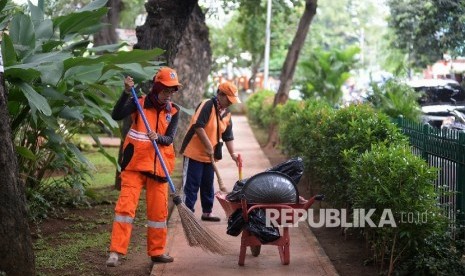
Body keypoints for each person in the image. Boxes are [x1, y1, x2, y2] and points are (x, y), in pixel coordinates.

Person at [106, 67, 181, 267]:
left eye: (172, 91)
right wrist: (125, 93)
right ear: (156, 88)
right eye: (166, 90)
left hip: (159, 168)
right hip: (135, 165)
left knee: (158, 214)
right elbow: (116, 114)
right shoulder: (138, 103)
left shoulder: (173, 111)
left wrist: (159, 137)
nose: (168, 95)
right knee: (125, 209)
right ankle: (115, 252)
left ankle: (157, 252)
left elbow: (170, 138)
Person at [180, 82, 241, 221]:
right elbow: (198, 125)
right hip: (194, 153)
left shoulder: (227, 113)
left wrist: (233, 154)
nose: (230, 103)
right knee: (192, 184)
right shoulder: (207, 105)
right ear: (220, 95)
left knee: (208, 184)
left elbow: (228, 136)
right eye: (229, 100)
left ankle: (207, 212)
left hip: (210, 156)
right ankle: (187, 214)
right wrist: (208, 145)